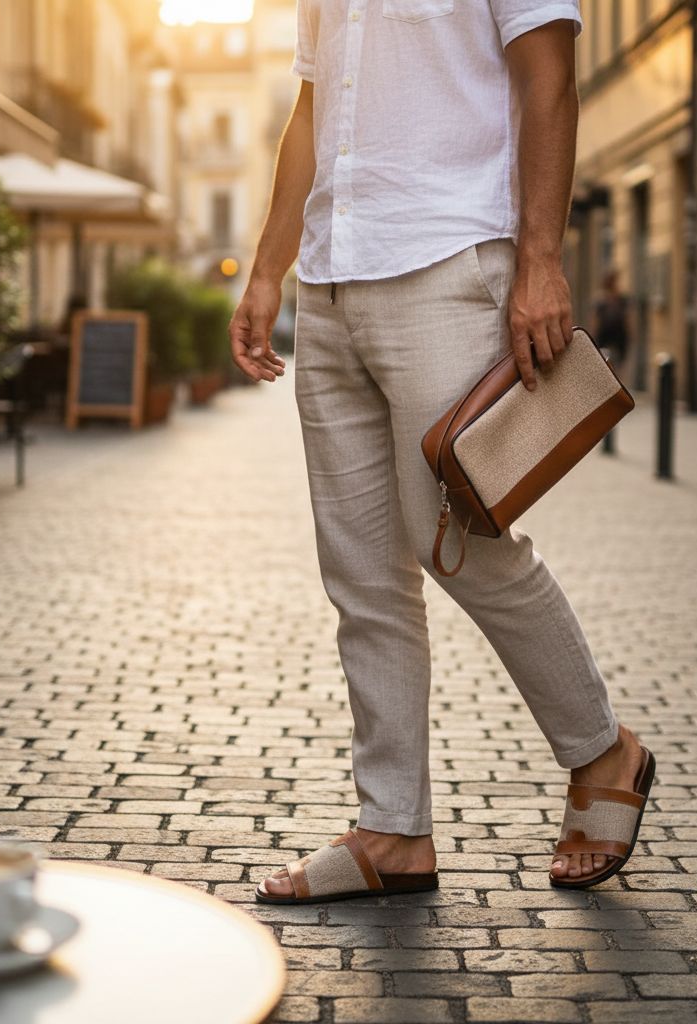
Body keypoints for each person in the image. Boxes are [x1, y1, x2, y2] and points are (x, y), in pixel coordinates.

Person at [229, 0, 654, 903]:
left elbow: (550, 75)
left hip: (447, 261)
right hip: (331, 279)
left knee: (461, 543)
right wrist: (268, 269)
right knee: (360, 575)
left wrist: (541, 259)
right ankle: (393, 830)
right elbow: (309, 109)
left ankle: (602, 751)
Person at [593, 268, 631, 373]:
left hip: (616, 332)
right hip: (609, 332)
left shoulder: (618, 298)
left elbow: (627, 316)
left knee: (618, 360)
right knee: (610, 360)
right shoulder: (602, 299)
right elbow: (595, 318)